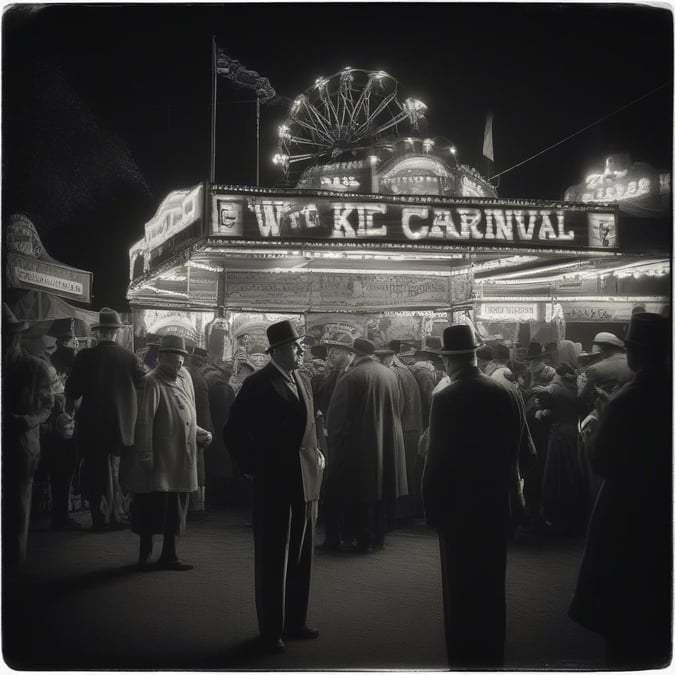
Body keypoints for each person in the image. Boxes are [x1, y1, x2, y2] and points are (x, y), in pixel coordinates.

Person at [570, 313, 671, 669]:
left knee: (621, 583)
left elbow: (600, 459)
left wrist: (599, 417)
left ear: (635, 352)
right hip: (664, 500)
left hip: (627, 502)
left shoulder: (626, 397)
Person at [422, 324, 526, 669]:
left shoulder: (445, 398)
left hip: (458, 513)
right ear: (475, 356)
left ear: (448, 361)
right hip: (498, 507)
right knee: (493, 585)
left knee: (460, 589)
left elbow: (434, 465)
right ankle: (494, 653)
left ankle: (464, 659)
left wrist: (431, 511)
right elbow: (530, 455)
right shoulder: (508, 392)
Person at [223, 320, 325, 654]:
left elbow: (309, 424)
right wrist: (252, 468)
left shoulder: (302, 378)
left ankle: (295, 621)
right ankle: (271, 630)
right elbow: (233, 431)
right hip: (274, 483)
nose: (301, 349)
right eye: (296, 345)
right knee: (272, 558)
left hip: (306, 481)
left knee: (301, 556)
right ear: (278, 350)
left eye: (301, 345)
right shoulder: (257, 383)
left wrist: (316, 450)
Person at [126, 335, 211, 571]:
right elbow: (144, 421)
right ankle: (146, 553)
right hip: (161, 456)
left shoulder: (185, 379)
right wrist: (145, 455)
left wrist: (199, 432)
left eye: (182, 357)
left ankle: (169, 553)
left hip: (181, 454)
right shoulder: (152, 381)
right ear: (161, 358)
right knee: (152, 505)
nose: (179, 362)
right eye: (174, 357)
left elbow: (189, 412)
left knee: (175, 506)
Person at [65, 307, 146, 531]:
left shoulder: (85, 356)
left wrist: (69, 412)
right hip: (123, 425)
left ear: (99, 332)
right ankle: (117, 516)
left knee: (95, 470)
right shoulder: (129, 357)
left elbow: (72, 391)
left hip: (92, 425)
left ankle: (98, 518)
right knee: (118, 469)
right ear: (116, 332)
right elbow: (144, 386)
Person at [325, 338, 407, 553]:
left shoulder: (351, 377)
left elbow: (336, 418)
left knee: (356, 493)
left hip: (358, 446)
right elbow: (399, 407)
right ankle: (377, 538)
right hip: (385, 441)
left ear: (354, 354)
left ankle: (360, 540)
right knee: (378, 492)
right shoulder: (389, 374)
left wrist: (334, 441)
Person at [2, 303, 56, 566]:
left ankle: (14, 561)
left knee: (18, 504)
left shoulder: (35, 368)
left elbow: (47, 406)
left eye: (7, 335)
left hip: (21, 445)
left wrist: (26, 420)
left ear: (15, 337)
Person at [202, 359, 237, 509]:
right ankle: (222, 500)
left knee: (212, 464)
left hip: (210, 427)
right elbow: (226, 413)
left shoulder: (208, 382)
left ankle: (212, 497)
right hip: (222, 430)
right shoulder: (223, 388)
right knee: (222, 466)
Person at [184, 347, 214, 514]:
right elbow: (203, 409)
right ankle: (197, 504)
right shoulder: (200, 380)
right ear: (202, 362)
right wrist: (207, 432)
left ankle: (189, 503)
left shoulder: (185, 374)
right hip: (197, 428)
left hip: (184, 426)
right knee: (198, 467)